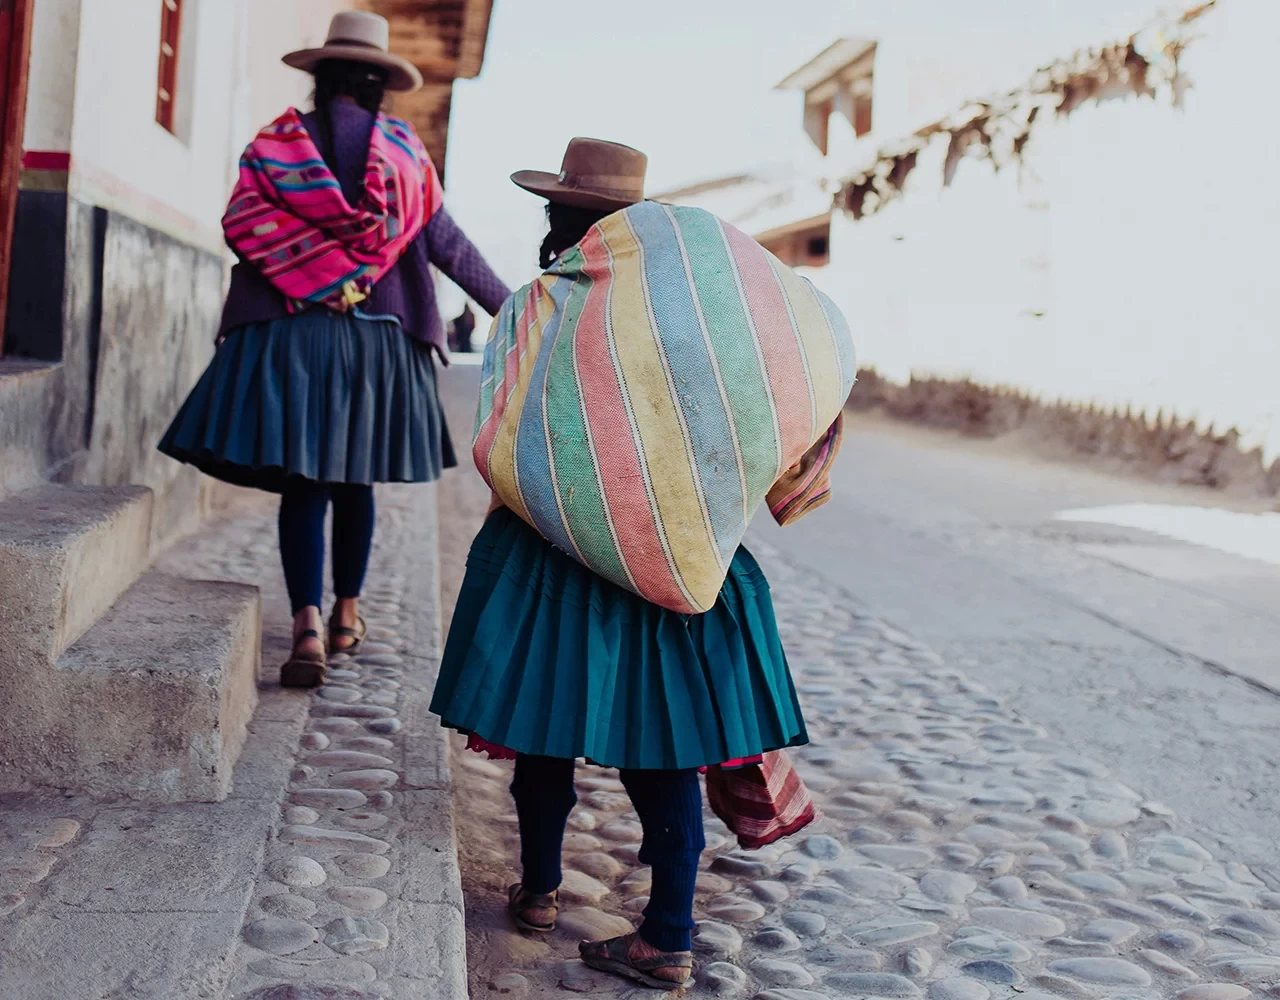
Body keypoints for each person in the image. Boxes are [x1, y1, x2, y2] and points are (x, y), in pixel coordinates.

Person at [429, 138, 809, 990]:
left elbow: (505, 429)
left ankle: (538, 889)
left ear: (560, 219)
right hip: (676, 553)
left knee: (543, 726)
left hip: (549, 552)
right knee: (666, 743)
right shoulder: (700, 315)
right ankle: (666, 933)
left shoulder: (541, 306)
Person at [159, 11, 509, 687]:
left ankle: (307, 626)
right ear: (380, 86)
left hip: (293, 336)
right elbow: (449, 248)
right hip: (378, 346)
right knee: (354, 482)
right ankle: (350, 612)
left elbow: (242, 225)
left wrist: (309, 268)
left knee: (304, 484)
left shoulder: (276, 147)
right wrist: (520, 310)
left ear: (319, 79)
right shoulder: (407, 157)